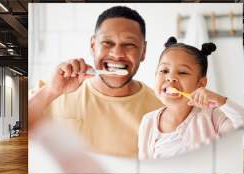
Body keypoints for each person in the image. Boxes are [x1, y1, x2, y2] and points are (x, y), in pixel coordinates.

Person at [29, 6, 162, 157]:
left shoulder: (161, 109)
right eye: (107, 42)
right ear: (93, 46)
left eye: (129, 44)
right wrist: (51, 91)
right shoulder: (51, 92)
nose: (117, 54)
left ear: (143, 51)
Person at [138, 37, 244, 160]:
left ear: (201, 84)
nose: (171, 77)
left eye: (182, 72)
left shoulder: (212, 117)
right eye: (164, 70)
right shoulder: (148, 121)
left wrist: (222, 101)